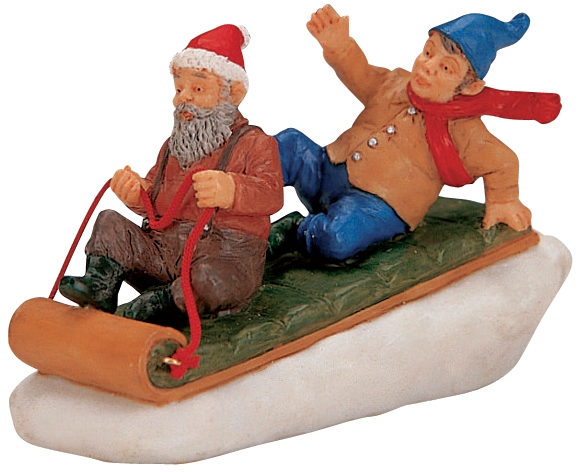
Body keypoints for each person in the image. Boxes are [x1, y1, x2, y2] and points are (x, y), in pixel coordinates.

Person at [271, 5, 561, 261]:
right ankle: (247, 198)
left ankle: (297, 231)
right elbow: (362, 74)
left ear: (471, 87)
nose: (427, 67)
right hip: (327, 167)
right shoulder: (396, 83)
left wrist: (504, 200)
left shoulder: (463, 130)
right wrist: (340, 47)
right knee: (288, 145)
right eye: (428, 52)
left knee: (336, 238)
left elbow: (503, 161)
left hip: (373, 207)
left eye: (446, 68)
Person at [59, 24, 284, 325]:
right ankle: (99, 286)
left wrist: (231, 189)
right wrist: (137, 193)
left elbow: (272, 193)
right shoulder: (174, 146)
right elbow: (155, 198)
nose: (182, 99)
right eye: (179, 89)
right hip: (165, 252)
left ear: (234, 93)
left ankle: (161, 304)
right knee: (109, 221)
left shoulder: (256, 143)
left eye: (198, 89)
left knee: (209, 280)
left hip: (225, 255)